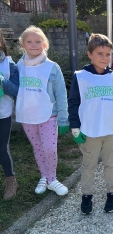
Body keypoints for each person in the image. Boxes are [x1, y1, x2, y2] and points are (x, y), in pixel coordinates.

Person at [68, 33, 113, 214]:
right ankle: (87, 195)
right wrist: (75, 127)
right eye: (100, 54)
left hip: (111, 129)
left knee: (111, 163)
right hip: (90, 130)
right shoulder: (81, 77)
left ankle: (112, 192)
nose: (104, 58)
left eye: (108, 54)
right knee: (89, 165)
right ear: (89, 54)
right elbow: (74, 102)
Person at [16, 26, 69, 196]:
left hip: (49, 115)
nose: (33, 45)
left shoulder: (52, 67)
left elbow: (61, 94)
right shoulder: (18, 66)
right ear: (23, 44)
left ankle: (52, 179)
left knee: (49, 149)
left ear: (44, 44)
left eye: (38, 41)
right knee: (38, 147)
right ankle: (44, 176)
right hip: (27, 116)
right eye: (29, 42)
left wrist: (63, 118)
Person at [0, 29, 19, 200]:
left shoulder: (9, 64)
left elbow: (16, 90)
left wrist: (2, 80)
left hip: (2, 114)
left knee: (2, 149)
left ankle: (11, 180)